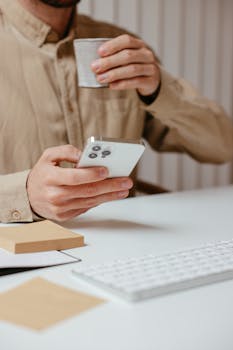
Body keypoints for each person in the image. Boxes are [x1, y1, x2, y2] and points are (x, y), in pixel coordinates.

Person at [0, 0, 232, 223]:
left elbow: (223, 147)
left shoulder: (125, 51)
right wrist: (23, 195)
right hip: (19, 253)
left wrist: (159, 89)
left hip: (125, 247)